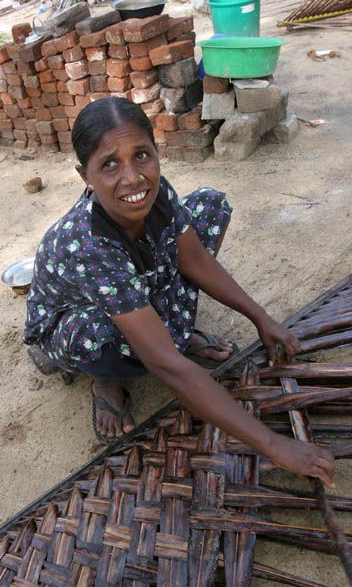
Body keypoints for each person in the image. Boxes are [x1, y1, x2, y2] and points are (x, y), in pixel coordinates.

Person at [23, 97, 335, 488]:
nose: (133, 178)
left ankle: (170, 332)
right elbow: (165, 367)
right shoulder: (87, 245)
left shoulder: (154, 191)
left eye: (141, 155)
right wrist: (274, 445)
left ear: (155, 153)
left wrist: (261, 318)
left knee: (208, 206)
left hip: (129, 288)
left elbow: (195, 262)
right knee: (104, 332)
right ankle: (105, 379)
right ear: (84, 175)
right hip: (70, 327)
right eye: (109, 164)